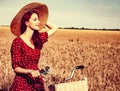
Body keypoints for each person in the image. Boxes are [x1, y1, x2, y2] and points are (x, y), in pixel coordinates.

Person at [9, 2, 58, 91]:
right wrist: (30, 71)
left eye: (38, 20)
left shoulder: (38, 39)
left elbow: (55, 27)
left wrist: (43, 21)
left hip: (37, 82)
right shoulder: (17, 42)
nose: (38, 22)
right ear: (27, 23)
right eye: (35, 20)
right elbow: (16, 68)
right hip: (22, 83)